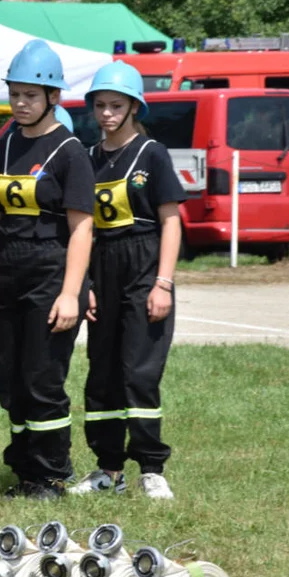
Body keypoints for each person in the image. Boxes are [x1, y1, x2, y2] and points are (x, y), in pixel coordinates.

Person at [0, 39, 95, 500]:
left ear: (53, 97)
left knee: (42, 378)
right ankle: (24, 471)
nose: (20, 103)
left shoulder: (70, 151)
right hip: (11, 274)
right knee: (10, 376)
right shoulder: (0, 149)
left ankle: (52, 474)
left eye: (31, 95)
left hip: (52, 273)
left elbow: (82, 230)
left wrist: (70, 293)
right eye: (15, 93)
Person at [73, 61, 183, 500]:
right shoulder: (88, 156)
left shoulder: (152, 154)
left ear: (135, 107)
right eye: (99, 105)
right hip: (102, 265)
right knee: (102, 371)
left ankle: (151, 467)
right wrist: (87, 284)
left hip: (143, 261)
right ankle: (107, 468)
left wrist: (164, 283)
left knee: (139, 370)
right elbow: (81, 227)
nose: (106, 114)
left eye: (116, 105)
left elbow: (172, 221)